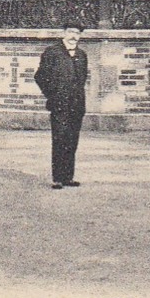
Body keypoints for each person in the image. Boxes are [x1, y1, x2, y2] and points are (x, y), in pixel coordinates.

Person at [34, 26, 89, 190]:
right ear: (64, 33)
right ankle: (57, 178)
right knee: (59, 139)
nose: (74, 36)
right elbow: (40, 76)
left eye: (77, 33)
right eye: (71, 32)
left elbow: (82, 80)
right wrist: (53, 94)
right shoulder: (52, 52)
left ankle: (68, 177)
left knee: (72, 141)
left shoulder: (82, 55)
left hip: (76, 105)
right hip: (59, 104)